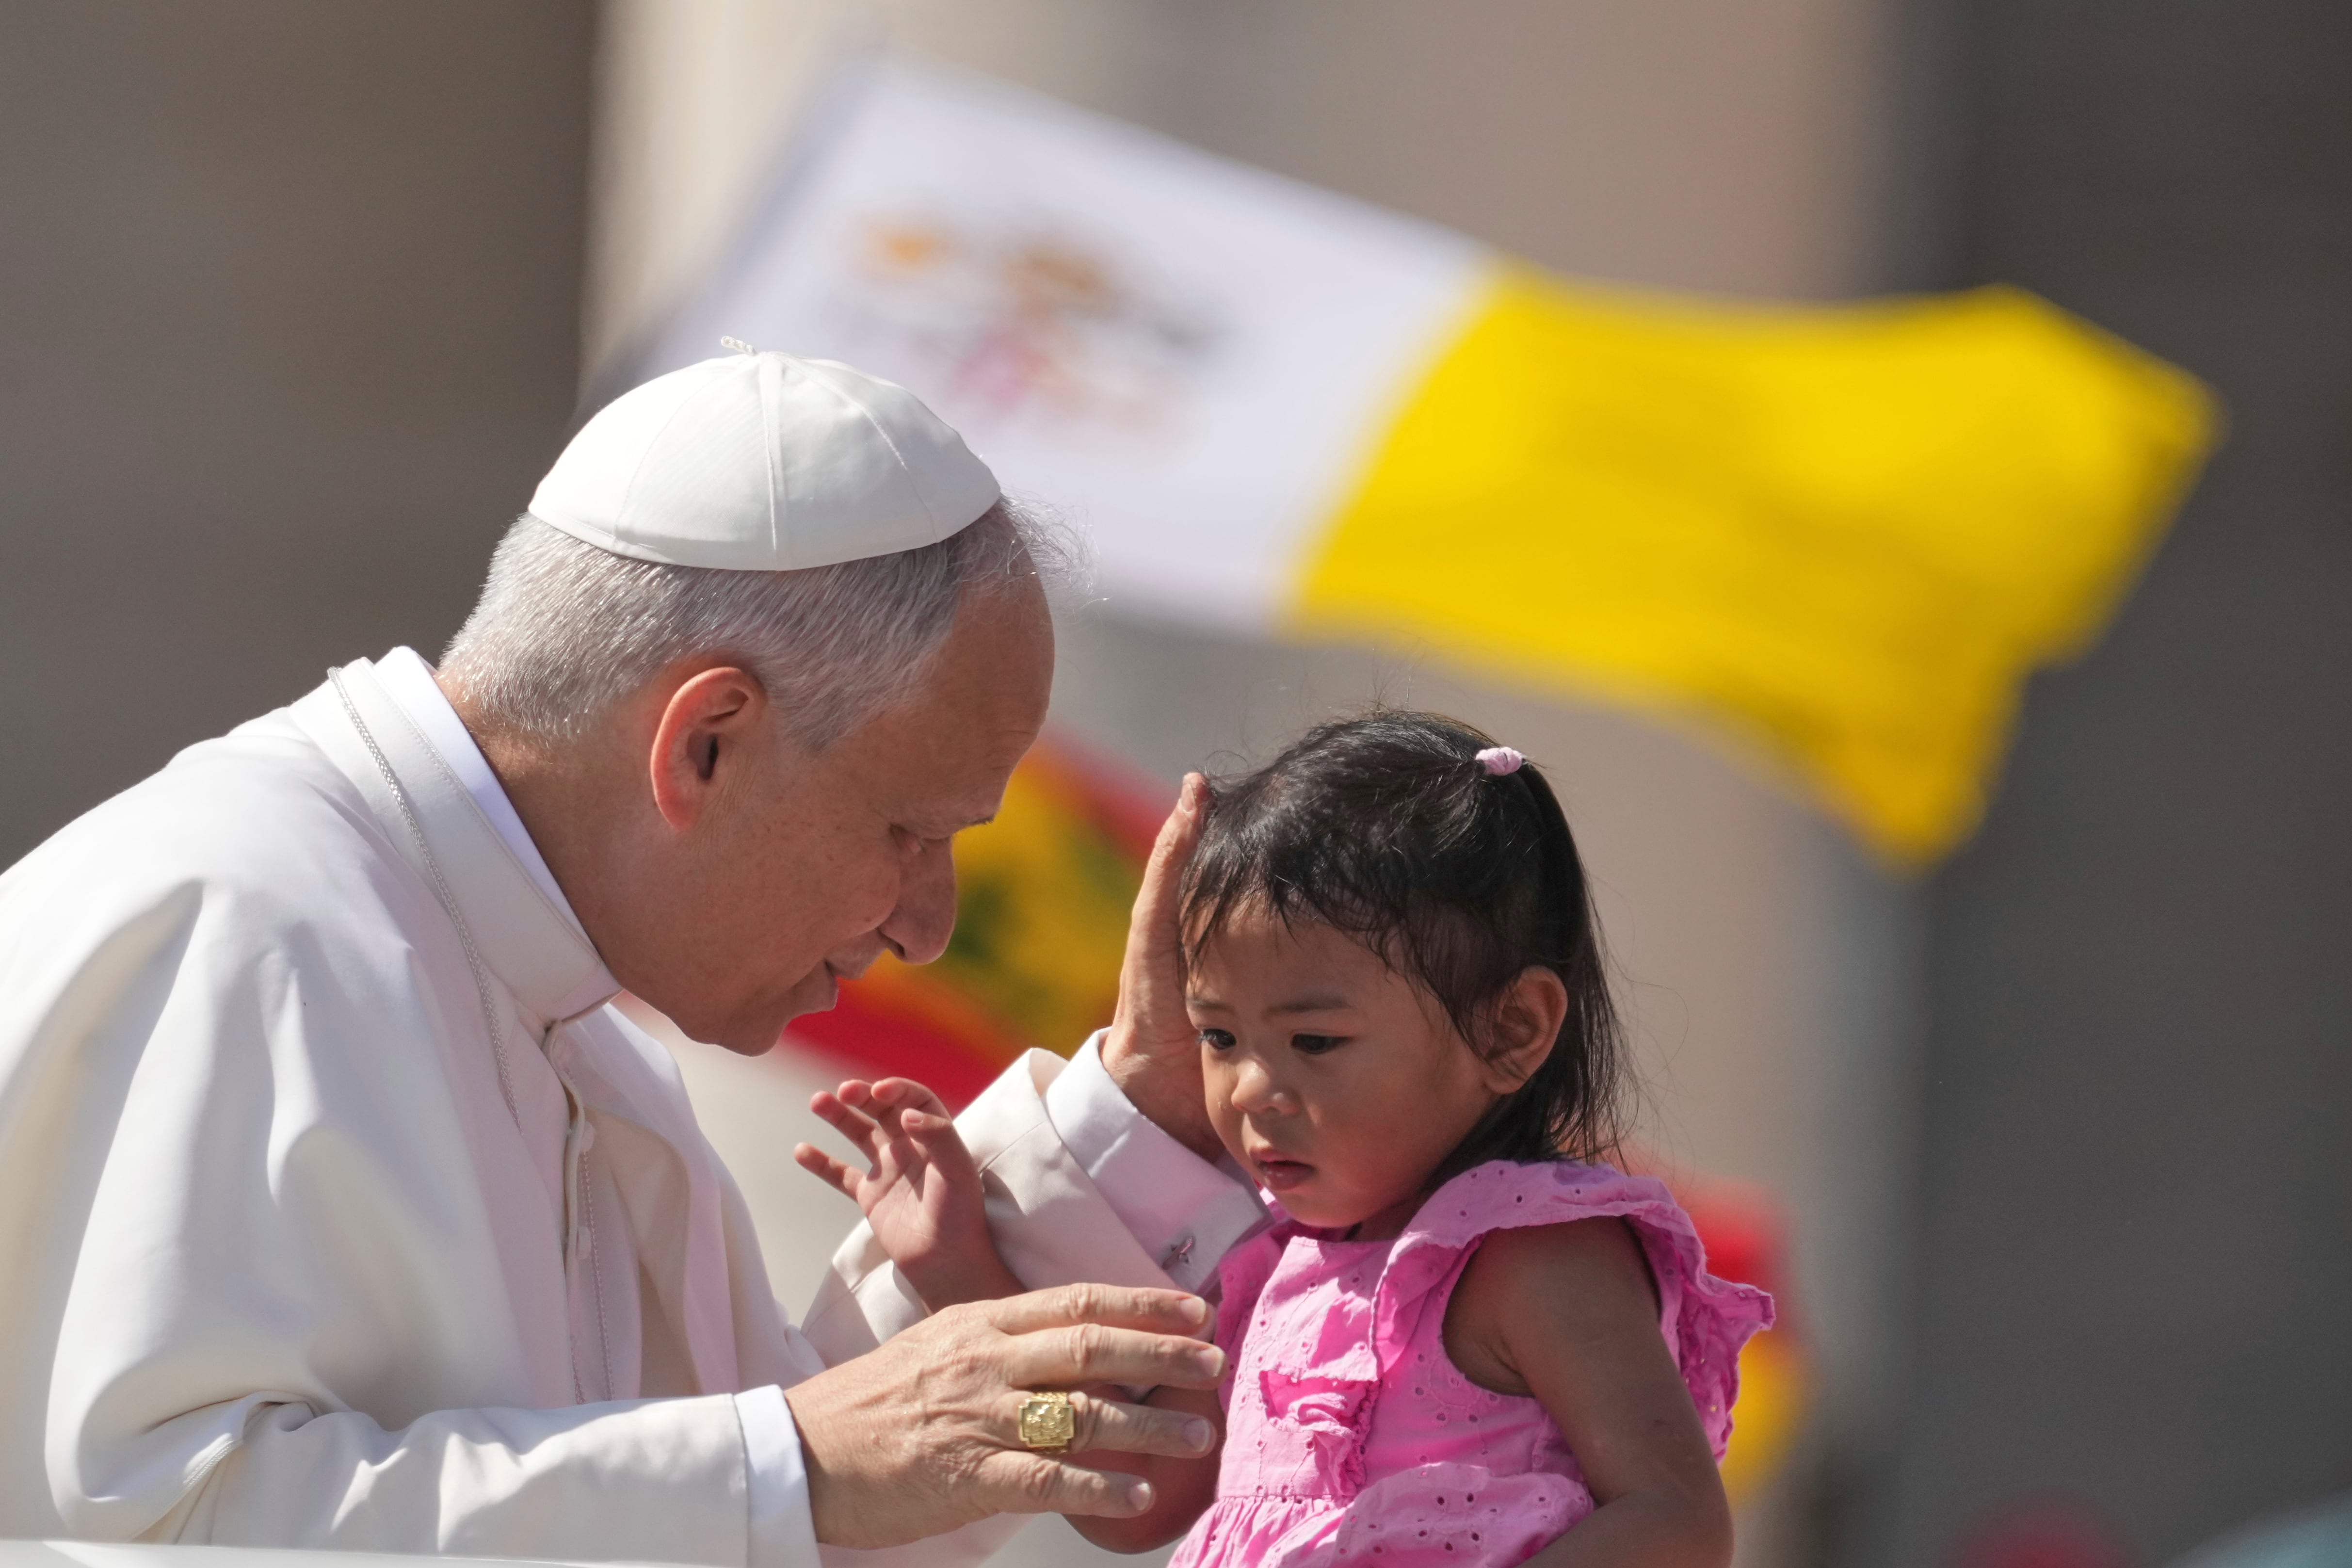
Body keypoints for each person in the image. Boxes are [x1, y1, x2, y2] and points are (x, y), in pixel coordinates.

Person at [0, 348, 1271, 1567]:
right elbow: (138, 1530)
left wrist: (1135, 1106)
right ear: (706, 740)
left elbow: (752, 1503)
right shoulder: (240, 926)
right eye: (913, 832)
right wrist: (790, 1464)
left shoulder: (569, 1012)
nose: (926, 927)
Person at [798, 712, 1774, 1566]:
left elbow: (1678, 1521)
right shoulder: (1274, 1262)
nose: (1253, 1090)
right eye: (1219, 1037)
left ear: (1510, 1030)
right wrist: (959, 1269)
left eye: (1314, 1041)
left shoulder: (1531, 1254)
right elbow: (1140, 1492)